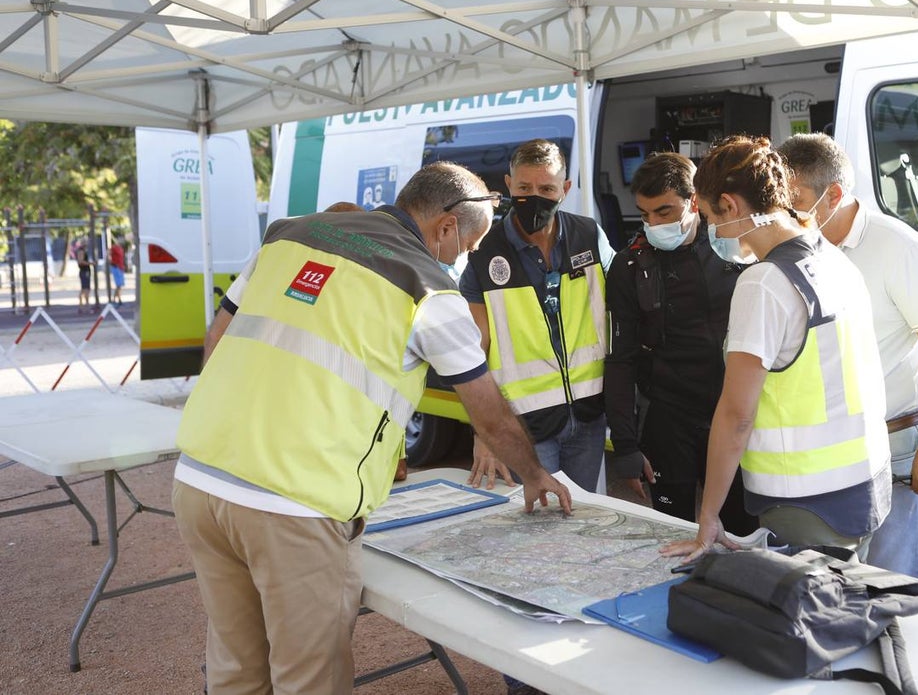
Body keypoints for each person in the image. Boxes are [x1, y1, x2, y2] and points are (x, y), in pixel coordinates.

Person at [172, 161, 572, 695]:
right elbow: (489, 412)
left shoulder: (287, 237)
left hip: (200, 478)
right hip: (296, 502)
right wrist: (533, 474)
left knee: (236, 668)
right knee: (308, 679)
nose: (468, 257)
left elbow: (218, 341)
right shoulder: (428, 288)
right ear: (447, 226)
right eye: (470, 245)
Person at [661, 135, 891, 563]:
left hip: (803, 499)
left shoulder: (764, 282)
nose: (714, 232)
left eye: (711, 218)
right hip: (864, 484)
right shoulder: (832, 257)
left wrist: (708, 515)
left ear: (730, 205)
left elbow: (736, 415)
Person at [780, 132, 918, 579]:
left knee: (892, 585)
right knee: (823, 584)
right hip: (819, 447)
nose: (783, 211)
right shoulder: (796, 249)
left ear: (835, 195)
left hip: (894, 444)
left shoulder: (897, 247)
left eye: (794, 199)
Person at [604, 152, 758, 536]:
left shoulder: (734, 249)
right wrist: (625, 447)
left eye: (664, 212)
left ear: (694, 201)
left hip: (732, 413)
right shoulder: (629, 267)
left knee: (740, 532)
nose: (654, 224)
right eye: (644, 214)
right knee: (671, 530)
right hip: (668, 419)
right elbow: (619, 359)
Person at [459, 139, 615, 495]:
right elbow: (473, 352)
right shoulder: (485, 252)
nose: (534, 197)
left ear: (565, 189)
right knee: (536, 528)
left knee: (581, 516)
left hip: (588, 417)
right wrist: (484, 432)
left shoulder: (589, 237)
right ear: (509, 185)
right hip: (522, 426)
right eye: (525, 188)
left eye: (546, 188)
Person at [75, 243, 93, 312]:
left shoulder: (82, 251)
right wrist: (91, 263)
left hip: (85, 271)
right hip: (84, 272)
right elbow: (80, 262)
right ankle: (87, 306)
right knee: (86, 290)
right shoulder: (81, 251)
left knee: (84, 289)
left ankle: (81, 306)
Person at [108, 238, 126, 306]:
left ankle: (116, 299)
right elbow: (109, 253)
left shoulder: (121, 248)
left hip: (120, 267)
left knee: (120, 285)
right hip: (116, 267)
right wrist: (111, 261)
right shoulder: (114, 247)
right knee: (118, 284)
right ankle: (117, 300)